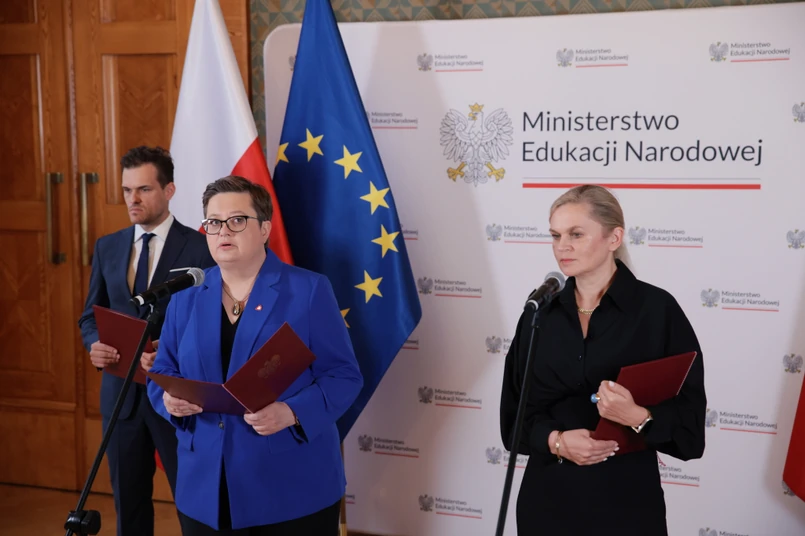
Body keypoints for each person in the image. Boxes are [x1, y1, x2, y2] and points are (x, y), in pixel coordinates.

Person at [146, 175, 363, 535]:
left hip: (289, 486)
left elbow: (343, 375)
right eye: (214, 222)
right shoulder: (185, 296)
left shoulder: (308, 290)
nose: (222, 231)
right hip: (205, 487)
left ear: (264, 229)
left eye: (236, 220)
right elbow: (163, 372)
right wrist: (169, 401)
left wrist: (292, 412)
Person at [499, 184, 706, 535]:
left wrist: (638, 417)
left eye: (576, 234)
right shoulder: (539, 314)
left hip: (626, 504)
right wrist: (557, 441)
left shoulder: (658, 311)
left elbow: (690, 433)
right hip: (546, 501)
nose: (562, 246)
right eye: (555, 235)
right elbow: (513, 420)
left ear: (614, 238)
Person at [78, 146, 216, 536]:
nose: (133, 199)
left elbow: (212, 323)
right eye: (126, 190)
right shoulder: (108, 246)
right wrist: (94, 343)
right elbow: (90, 315)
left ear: (169, 190)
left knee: (192, 503)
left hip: (176, 398)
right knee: (129, 504)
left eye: (143, 189)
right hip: (120, 398)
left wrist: (173, 356)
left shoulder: (200, 247)